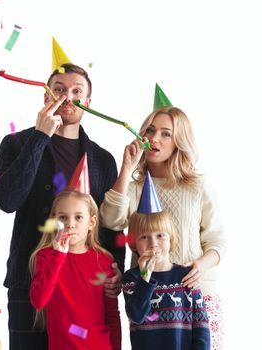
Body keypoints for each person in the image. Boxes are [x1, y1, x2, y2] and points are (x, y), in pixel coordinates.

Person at [0, 61, 125, 350]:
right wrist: (40, 136)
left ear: (88, 103)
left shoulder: (102, 160)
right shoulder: (15, 144)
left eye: (77, 91)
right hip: (30, 284)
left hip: (84, 291)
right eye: (59, 89)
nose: (67, 97)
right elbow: (6, 200)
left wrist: (118, 268)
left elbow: (109, 222)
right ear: (46, 97)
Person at [100, 105, 227, 349]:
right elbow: (110, 219)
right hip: (149, 299)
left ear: (179, 141)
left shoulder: (198, 186)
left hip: (196, 295)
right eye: (150, 130)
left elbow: (217, 241)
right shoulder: (134, 186)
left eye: (165, 133)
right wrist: (126, 167)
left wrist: (200, 265)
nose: (154, 138)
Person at [122, 173, 210, 349]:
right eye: (144, 237)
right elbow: (137, 315)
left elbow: (201, 326)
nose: (153, 243)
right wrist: (145, 277)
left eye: (160, 235)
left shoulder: (186, 276)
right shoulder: (132, 279)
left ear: (171, 240)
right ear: (134, 243)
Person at [29, 189, 121, 350]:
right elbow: (38, 301)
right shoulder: (46, 257)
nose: (70, 224)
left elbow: (112, 314)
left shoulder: (104, 261)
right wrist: (58, 256)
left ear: (91, 223)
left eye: (78, 217)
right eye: (63, 217)